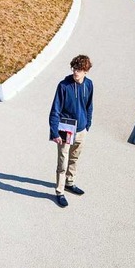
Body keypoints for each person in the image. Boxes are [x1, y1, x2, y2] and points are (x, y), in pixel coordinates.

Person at [49, 55, 94, 208]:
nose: (75, 72)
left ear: (86, 71)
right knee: (62, 162)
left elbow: (89, 106)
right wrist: (54, 132)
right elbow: (55, 110)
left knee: (74, 159)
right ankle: (59, 191)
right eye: (74, 69)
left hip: (81, 130)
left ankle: (70, 183)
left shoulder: (89, 85)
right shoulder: (63, 86)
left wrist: (88, 125)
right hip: (65, 130)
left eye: (79, 70)